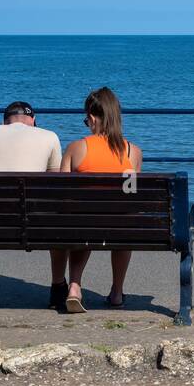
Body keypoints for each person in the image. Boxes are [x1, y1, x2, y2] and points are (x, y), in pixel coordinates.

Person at [0, 100, 68, 310]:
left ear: (5, 122)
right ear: (32, 120)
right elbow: (54, 183)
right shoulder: (49, 136)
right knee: (58, 218)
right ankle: (59, 287)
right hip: (35, 223)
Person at [58, 87, 142, 313]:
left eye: (87, 120)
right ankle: (116, 292)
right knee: (125, 224)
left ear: (93, 118)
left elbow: (61, 193)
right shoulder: (132, 152)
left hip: (84, 225)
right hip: (119, 227)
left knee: (80, 221)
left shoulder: (76, 148)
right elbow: (131, 196)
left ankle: (74, 287)